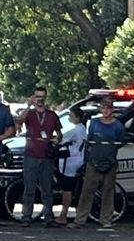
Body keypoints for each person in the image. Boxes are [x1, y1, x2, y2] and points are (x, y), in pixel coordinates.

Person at [74, 95, 125, 229]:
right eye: (103, 108)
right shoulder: (94, 123)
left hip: (110, 162)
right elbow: (89, 142)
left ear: (112, 109)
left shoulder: (118, 125)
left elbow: (120, 142)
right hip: (93, 162)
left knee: (108, 192)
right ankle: (80, 220)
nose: (105, 111)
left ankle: (106, 220)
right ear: (100, 109)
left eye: (108, 108)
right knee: (87, 191)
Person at [18, 88, 60, 223]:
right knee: (29, 188)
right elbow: (19, 120)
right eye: (37, 96)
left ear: (46, 98)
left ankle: (48, 217)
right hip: (31, 155)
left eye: (42, 97)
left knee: (47, 188)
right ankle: (26, 216)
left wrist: (57, 139)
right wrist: (29, 105)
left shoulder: (52, 115)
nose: (40, 99)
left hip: (46, 155)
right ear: (34, 97)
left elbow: (59, 133)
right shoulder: (30, 114)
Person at [54, 108, 88, 225]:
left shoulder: (76, 130)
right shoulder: (82, 129)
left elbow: (61, 140)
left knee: (67, 190)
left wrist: (52, 140)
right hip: (78, 159)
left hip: (70, 162)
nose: (69, 117)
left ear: (77, 118)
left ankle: (63, 216)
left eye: (71, 116)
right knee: (70, 189)